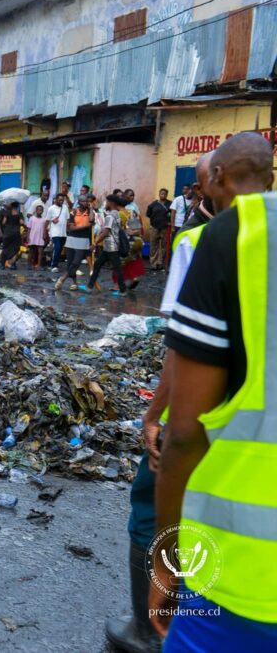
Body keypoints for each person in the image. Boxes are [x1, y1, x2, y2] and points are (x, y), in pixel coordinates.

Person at [148, 132, 277, 651]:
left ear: (218, 178)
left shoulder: (229, 238)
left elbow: (186, 433)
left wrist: (164, 561)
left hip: (246, 577)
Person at [104, 151, 217, 653]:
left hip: (196, 407)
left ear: (213, 183)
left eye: (198, 182)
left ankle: (149, 628)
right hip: (254, 419)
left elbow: (183, 344)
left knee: (152, 510)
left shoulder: (200, 242)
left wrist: (154, 415)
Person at [84, 193, 127, 295]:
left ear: (111, 203)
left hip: (111, 246)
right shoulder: (117, 213)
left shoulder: (110, 216)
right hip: (110, 246)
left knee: (117, 268)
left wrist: (95, 242)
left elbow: (106, 232)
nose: (105, 204)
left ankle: (123, 290)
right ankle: (90, 286)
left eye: (107, 202)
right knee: (99, 265)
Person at [55, 194, 92, 291]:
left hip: (83, 240)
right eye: (83, 201)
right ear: (79, 202)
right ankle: (74, 283)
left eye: (86, 201)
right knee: (70, 262)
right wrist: (85, 226)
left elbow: (92, 221)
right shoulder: (74, 212)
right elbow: (71, 227)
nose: (85, 203)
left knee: (76, 262)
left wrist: (91, 209)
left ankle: (63, 278)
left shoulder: (89, 212)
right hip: (72, 239)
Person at [115, 196, 146, 291]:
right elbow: (138, 229)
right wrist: (133, 232)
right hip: (137, 241)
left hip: (125, 242)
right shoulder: (132, 212)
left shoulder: (117, 215)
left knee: (120, 263)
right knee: (133, 261)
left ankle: (117, 285)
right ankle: (134, 278)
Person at [146, 189, 172, 270]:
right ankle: (153, 263)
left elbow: (172, 214)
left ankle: (160, 263)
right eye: (161, 193)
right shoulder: (153, 204)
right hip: (154, 227)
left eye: (165, 194)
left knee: (163, 245)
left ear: (167, 195)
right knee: (153, 245)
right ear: (159, 194)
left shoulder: (170, 204)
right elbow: (148, 214)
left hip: (165, 227)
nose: (163, 195)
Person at [47, 193, 70, 272]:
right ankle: (53, 266)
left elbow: (67, 219)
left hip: (63, 233)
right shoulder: (51, 208)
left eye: (62, 200)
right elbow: (47, 220)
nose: (61, 201)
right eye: (60, 200)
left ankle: (54, 262)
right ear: (56, 199)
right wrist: (52, 221)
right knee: (57, 247)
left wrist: (67, 230)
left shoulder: (65, 208)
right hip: (55, 233)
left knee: (60, 249)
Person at [0, 201, 24, 269]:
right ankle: (13, 263)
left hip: (7, 233)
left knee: (5, 248)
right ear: (17, 206)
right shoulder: (19, 214)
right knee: (16, 248)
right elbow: (21, 222)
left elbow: (3, 222)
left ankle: (2, 264)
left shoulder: (7, 213)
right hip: (16, 233)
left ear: (11, 206)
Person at [26, 204, 48, 269]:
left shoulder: (44, 220)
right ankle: (29, 264)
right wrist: (27, 237)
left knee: (40, 252)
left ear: (43, 211)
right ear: (36, 211)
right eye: (38, 210)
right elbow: (29, 228)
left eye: (41, 210)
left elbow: (45, 229)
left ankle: (39, 265)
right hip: (32, 237)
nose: (39, 211)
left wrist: (45, 235)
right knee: (31, 251)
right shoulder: (32, 219)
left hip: (40, 237)